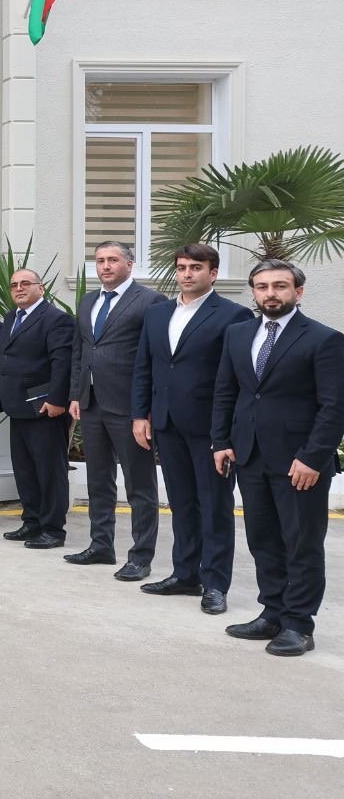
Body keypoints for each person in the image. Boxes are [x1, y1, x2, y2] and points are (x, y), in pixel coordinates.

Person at [211, 259, 344, 657]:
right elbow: (226, 391)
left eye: (280, 286)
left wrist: (313, 458)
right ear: (253, 291)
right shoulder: (237, 334)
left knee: (301, 543)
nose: (270, 293)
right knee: (263, 539)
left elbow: (334, 407)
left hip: (299, 463)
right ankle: (272, 613)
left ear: (297, 292)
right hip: (250, 456)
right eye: (262, 286)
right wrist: (221, 441)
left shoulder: (324, 339)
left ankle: (299, 624)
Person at [131, 244, 251, 615]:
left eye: (195, 267)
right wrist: (140, 414)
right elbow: (145, 366)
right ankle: (185, 574)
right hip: (166, 423)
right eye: (182, 267)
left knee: (214, 507)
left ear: (213, 273)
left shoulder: (234, 315)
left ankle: (215, 584)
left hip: (210, 428)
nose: (187, 273)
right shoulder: (157, 313)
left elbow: (235, 378)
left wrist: (225, 432)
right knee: (181, 503)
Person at [65, 241, 167, 579]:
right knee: (98, 479)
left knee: (139, 485)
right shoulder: (88, 300)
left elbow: (155, 358)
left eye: (112, 260)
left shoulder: (150, 301)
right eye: (100, 261)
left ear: (130, 264)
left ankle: (140, 557)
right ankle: (101, 545)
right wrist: (77, 394)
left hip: (129, 407)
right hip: (92, 404)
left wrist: (146, 409)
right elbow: (80, 351)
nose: (105, 266)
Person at [0, 269, 75, 550]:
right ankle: (32, 522)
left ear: (41, 288)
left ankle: (53, 529)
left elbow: (61, 363)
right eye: (14, 285)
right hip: (17, 406)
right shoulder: (11, 318)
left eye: (25, 283)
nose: (19, 288)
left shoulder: (56, 319)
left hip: (44, 408)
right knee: (25, 470)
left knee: (49, 472)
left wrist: (56, 400)